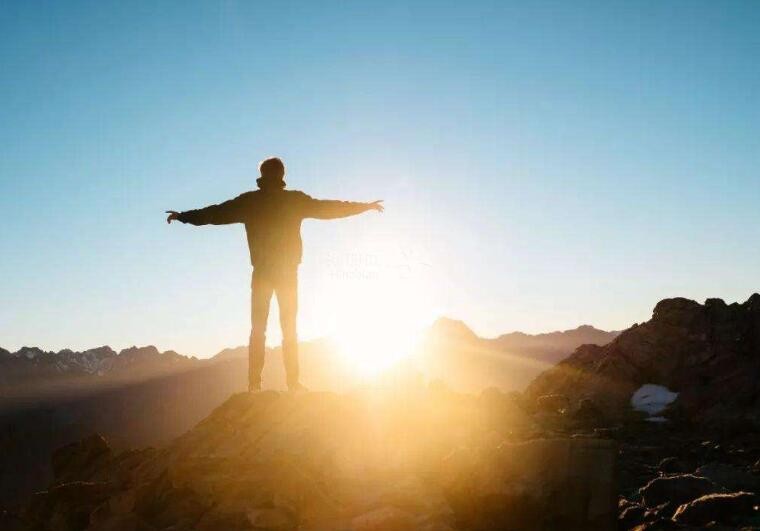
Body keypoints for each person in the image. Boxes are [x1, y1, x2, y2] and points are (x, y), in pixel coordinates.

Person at [166, 157, 383, 391]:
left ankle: (254, 385)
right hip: (287, 273)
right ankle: (292, 383)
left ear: (262, 174)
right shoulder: (293, 200)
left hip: (262, 273)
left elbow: (215, 213)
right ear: (282, 175)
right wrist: (364, 207)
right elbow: (329, 208)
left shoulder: (250, 202)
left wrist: (183, 216)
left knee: (259, 329)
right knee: (289, 328)